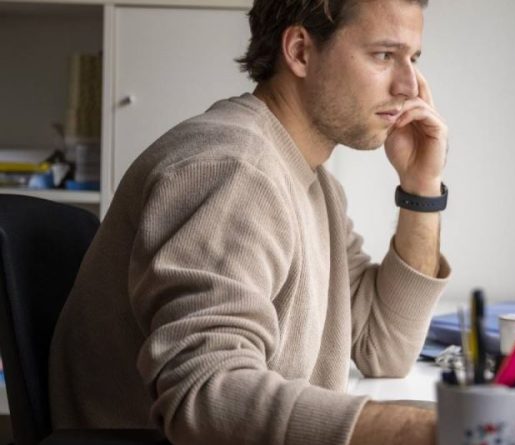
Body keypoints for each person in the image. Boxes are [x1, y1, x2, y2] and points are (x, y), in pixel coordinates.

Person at [50, 0, 448, 444]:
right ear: (300, 51)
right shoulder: (235, 169)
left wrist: (421, 188)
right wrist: (430, 431)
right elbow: (206, 393)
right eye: (384, 55)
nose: (408, 86)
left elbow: (383, 347)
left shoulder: (313, 184)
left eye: (413, 59)